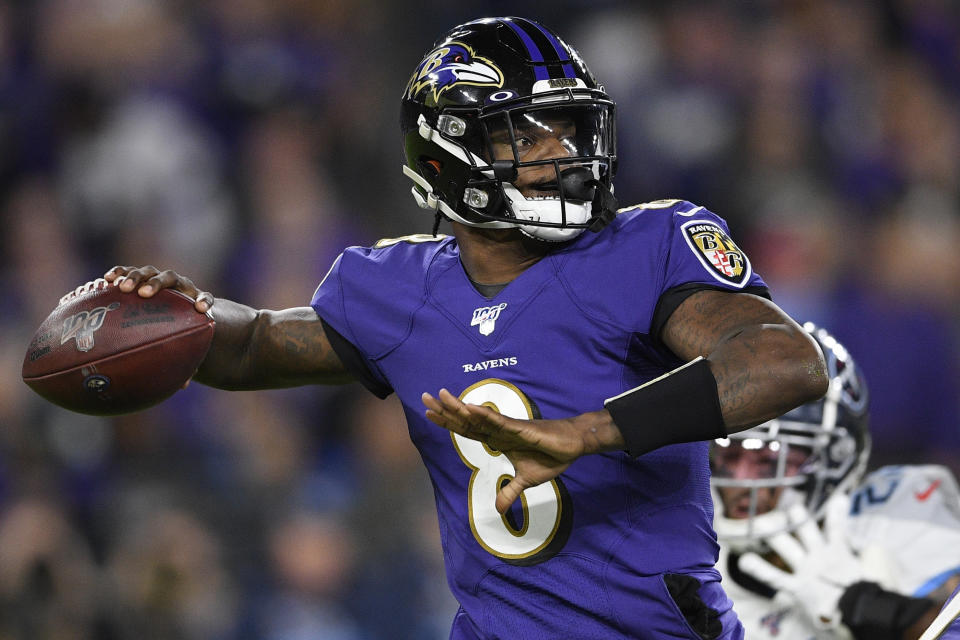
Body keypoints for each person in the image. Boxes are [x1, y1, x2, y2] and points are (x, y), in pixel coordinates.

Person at [101, 17, 827, 640]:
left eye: (567, 127)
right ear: (447, 155)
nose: (560, 152)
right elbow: (252, 344)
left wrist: (591, 431)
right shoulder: (394, 289)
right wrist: (180, 311)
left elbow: (783, 360)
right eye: (526, 133)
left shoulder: (648, 246)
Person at [710, 323, 960, 639]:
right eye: (730, 455)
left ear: (837, 458)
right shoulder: (691, 557)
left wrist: (877, 611)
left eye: (769, 459)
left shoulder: (895, 512)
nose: (741, 479)